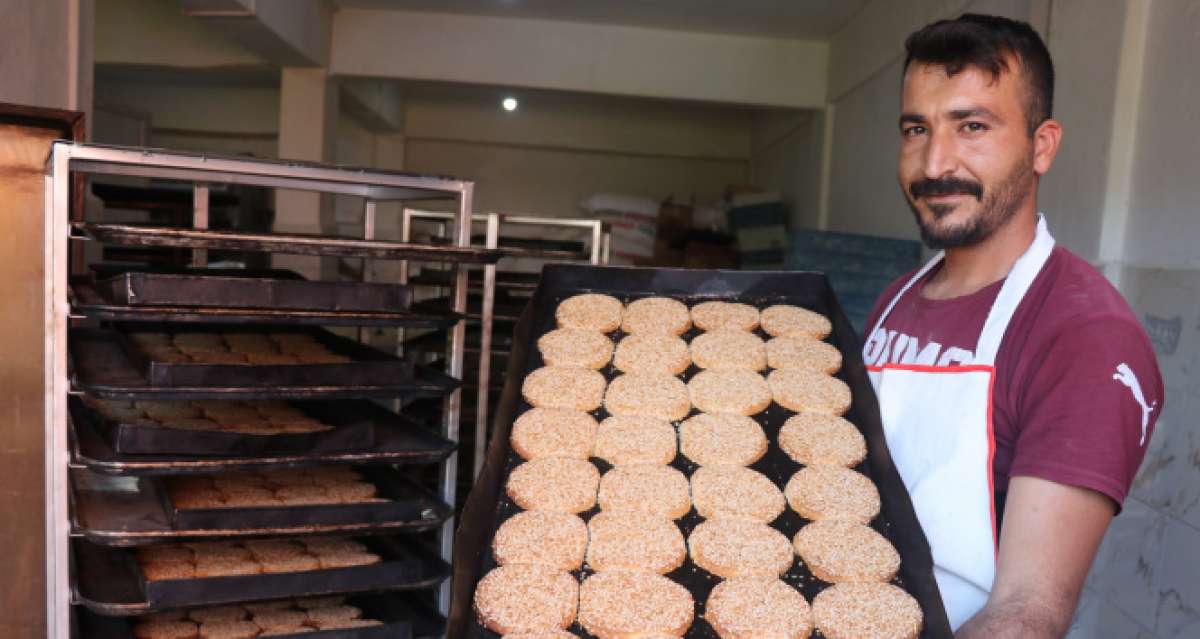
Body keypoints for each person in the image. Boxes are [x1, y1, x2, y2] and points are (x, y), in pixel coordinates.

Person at [861, 13, 1163, 638]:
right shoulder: (897, 297)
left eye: (972, 126)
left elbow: (1028, 613)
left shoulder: (1084, 335)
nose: (935, 161)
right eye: (918, 129)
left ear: (1042, 145)